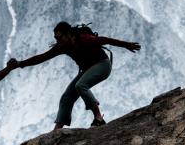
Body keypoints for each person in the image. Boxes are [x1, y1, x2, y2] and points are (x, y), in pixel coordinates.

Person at [12, 21, 141, 131]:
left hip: (103, 65)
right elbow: (41, 57)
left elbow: (105, 40)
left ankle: (98, 118)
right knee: (67, 96)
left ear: (68, 34)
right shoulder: (62, 46)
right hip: (88, 70)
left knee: (81, 85)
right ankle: (58, 129)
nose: (58, 40)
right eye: (56, 38)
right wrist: (20, 64)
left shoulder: (83, 39)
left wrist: (126, 45)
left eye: (59, 37)